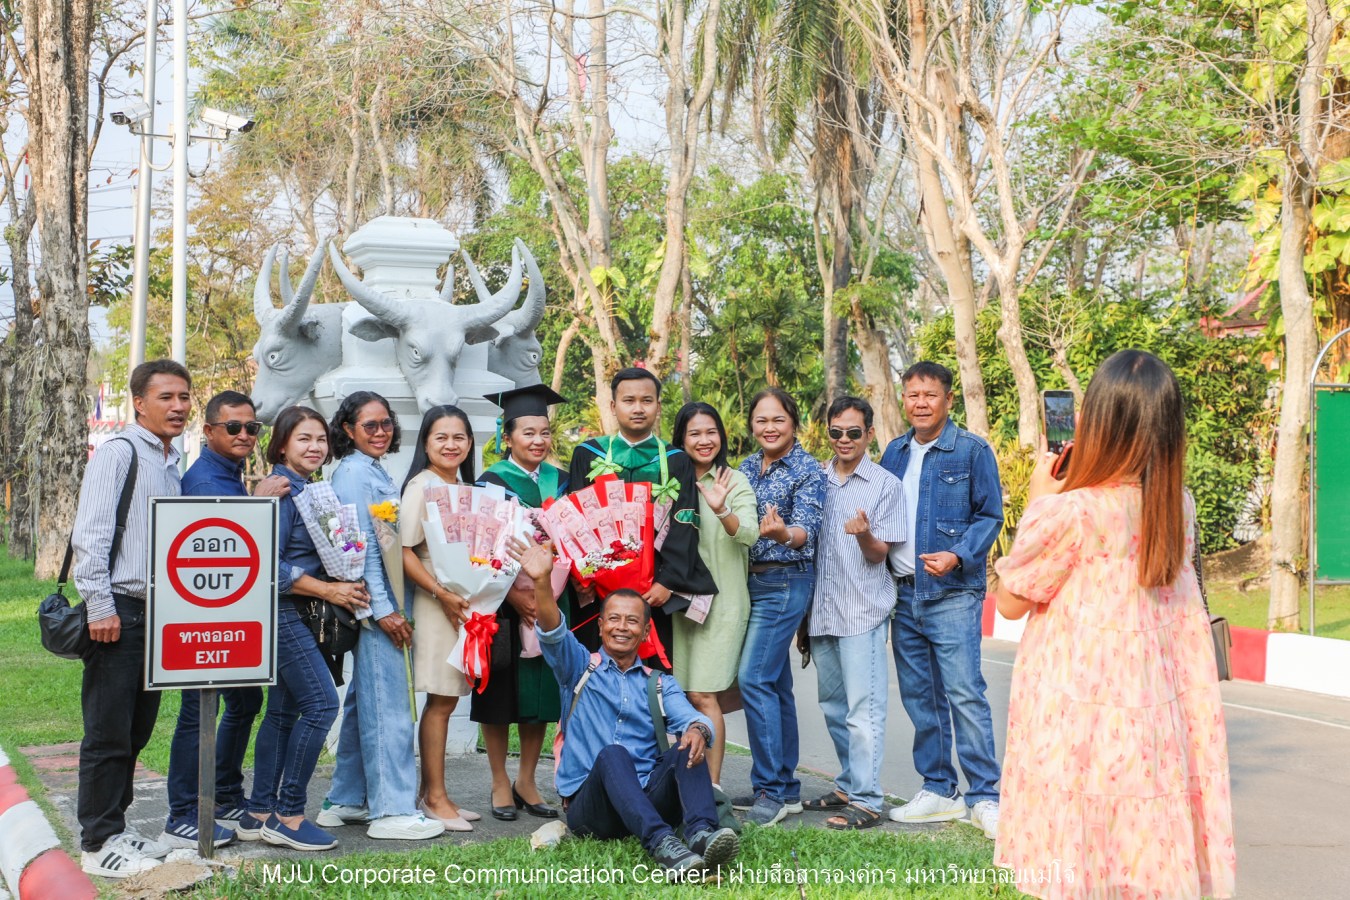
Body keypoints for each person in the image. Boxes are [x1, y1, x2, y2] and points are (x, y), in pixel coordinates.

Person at [993, 350, 1236, 899]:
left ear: (1096, 421)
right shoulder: (1180, 505)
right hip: (1154, 727)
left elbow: (1009, 602)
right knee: (1138, 857)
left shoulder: (1069, 512)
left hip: (1078, 724)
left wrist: (1036, 501)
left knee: (1077, 858)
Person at [518, 540, 739, 878]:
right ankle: (663, 845)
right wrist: (541, 582)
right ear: (601, 626)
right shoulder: (578, 669)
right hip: (593, 810)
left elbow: (693, 716)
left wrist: (698, 730)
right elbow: (553, 632)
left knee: (687, 743)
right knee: (613, 755)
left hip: (648, 799)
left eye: (632, 621)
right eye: (614, 619)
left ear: (646, 631)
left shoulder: (660, 683)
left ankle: (700, 836)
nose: (622, 627)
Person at [72, 359, 191, 878]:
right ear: (139, 402)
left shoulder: (171, 459)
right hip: (118, 610)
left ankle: (116, 828)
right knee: (107, 732)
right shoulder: (119, 454)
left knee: (137, 730)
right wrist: (100, 607)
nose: (179, 407)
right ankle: (96, 844)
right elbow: (91, 534)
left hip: (157, 613)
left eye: (184, 397)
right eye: (166, 397)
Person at [879, 361, 1004, 839]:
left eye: (929, 395)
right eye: (912, 395)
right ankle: (938, 789)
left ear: (948, 400)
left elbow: (989, 515)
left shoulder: (971, 450)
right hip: (903, 594)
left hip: (951, 594)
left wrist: (957, 554)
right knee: (920, 699)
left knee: (965, 694)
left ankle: (985, 796)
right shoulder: (893, 452)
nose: (920, 403)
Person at [161, 390, 290, 849]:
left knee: (244, 702)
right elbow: (223, 544)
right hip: (205, 620)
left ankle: (225, 793)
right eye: (233, 427)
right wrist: (258, 499)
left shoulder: (231, 471)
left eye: (252, 428)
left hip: (236, 618)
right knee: (199, 710)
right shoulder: (204, 480)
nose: (244, 435)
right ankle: (182, 812)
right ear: (209, 431)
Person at [239, 406, 369, 851]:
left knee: (281, 714)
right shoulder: (279, 492)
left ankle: (258, 812)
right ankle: (289, 816)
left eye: (319, 439)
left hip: (299, 613)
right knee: (321, 706)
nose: (314, 447)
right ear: (281, 445)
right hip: (283, 613)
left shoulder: (311, 490)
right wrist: (330, 592)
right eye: (303, 440)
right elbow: (267, 566)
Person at [320, 392, 443, 841]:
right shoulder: (354, 472)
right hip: (378, 607)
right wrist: (384, 610)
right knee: (388, 705)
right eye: (369, 425)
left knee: (366, 699)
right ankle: (391, 810)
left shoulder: (371, 470)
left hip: (384, 602)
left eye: (386, 423)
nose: (380, 432)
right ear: (348, 429)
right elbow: (361, 547)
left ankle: (346, 799)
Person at [567, 367, 718, 669]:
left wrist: (667, 582)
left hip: (652, 592)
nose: (638, 408)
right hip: (597, 593)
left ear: (658, 406)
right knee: (593, 672)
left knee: (650, 676)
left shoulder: (675, 459)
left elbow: (685, 522)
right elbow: (574, 521)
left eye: (647, 400)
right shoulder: (588, 454)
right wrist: (581, 577)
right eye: (629, 400)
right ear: (613, 406)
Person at [807, 397, 905, 830]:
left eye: (853, 432)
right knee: (831, 705)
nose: (844, 440)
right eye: (836, 432)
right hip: (822, 612)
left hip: (862, 611)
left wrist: (865, 534)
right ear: (827, 433)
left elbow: (879, 554)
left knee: (862, 711)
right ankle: (848, 784)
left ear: (869, 434)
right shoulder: (816, 479)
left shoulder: (885, 485)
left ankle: (867, 799)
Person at [476, 384, 571, 822]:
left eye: (545, 432)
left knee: (543, 692)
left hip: (552, 599)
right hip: (503, 602)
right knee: (499, 692)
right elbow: (478, 545)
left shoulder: (563, 481)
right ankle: (498, 780)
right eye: (528, 432)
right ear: (508, 436)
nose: (538, 440)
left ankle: (527, 779)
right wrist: (515, 595)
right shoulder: (490, 481)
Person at [732, 388, 825, 827]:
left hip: (786, 581)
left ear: (794, 423)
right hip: (749, 583)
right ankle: (785, 790)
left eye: (778, 420)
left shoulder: (808, 469)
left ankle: (768, 788)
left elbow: (806, 531)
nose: (769, 428)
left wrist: (782, 534)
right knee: (775, 682)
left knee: (753, 677)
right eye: (761, 420)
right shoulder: (745, 468)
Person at [399, 404, 480, 831]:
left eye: (459, 437)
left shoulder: (465, 486)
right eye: (441, 437)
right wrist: (441, 594)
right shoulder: (422, 486)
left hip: (461, 605)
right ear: (426, 443)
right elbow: (405, 549)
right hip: (436, 604)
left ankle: (434, 793)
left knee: (448, 699)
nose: (451, 445)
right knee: (440, 700)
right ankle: (434, 798)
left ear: (470, 443)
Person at [670, 401, 758, 788]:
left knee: (705, 695)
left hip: (721, 605)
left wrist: (722, 510)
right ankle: (688, 785)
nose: (704, 440)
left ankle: (712, 788)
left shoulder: (733, 480)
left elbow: (750, 534)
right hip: (679, 606)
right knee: (683, 696)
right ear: (681, 439)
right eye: (694, 433)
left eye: (711, 432)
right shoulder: (671, 480)